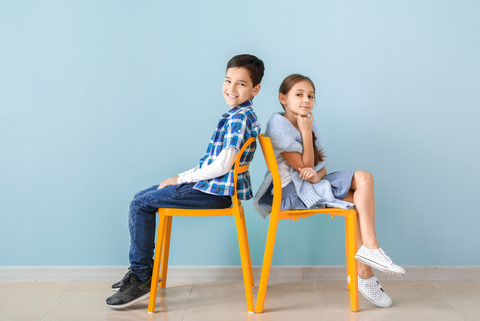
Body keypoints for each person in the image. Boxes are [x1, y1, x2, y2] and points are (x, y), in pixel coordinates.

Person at [106, 54, 265, 309]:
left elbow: (222, 165)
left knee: (140, 203)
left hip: (215, 193)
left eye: (241, 84)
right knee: (144, 195)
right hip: (214, 188)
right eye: (228, 81)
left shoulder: (238, 118)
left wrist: (180, 178)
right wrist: (180, 177)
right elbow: (212, 163)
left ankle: (142, 276)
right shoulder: (242, 114)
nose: (231, 89)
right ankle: (142, 272)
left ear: (256, 89)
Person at [253, 73, 405, 308]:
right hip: (293, 193)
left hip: (311, 184)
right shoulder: (279, 124)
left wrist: (316, 172)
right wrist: (306, 134)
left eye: (311, 96)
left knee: (364, 181)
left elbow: (318, 167)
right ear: (283, 98)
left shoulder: (307, 120)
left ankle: (368, 257)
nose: (306, 100)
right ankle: (366, 268)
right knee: (357, 198)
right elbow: (303, 166)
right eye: (299, 94)